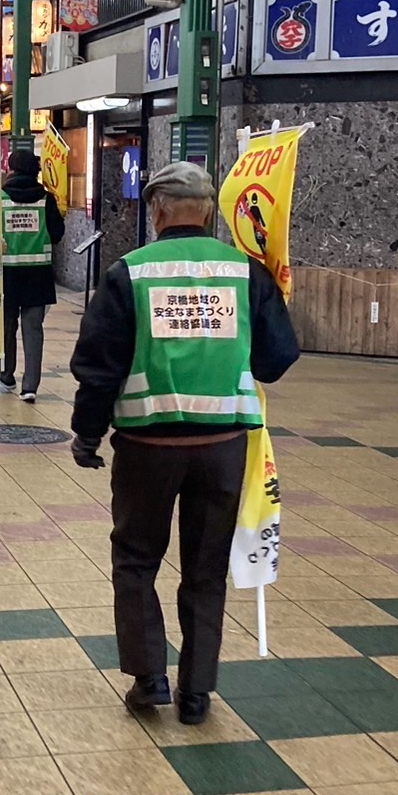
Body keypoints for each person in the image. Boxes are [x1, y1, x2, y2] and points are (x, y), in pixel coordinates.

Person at [69, 161, 299, 725]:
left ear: (159, 211)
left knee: (136, 559)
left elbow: (99, 366)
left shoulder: (130, 274)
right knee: (205, 568)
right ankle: (198, 693)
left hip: (148, 448)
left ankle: (150, 679)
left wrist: (87, 434)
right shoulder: (246, 273)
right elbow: (277, 359)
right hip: (224, 447)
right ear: (208, 212)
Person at [0, 148, 65, 404]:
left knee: (7, 326)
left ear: (12, 169)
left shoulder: (0, 198)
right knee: (33, 329)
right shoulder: (46, 199)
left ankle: (6, 372)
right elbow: (57, 233)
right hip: (38, 274)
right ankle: (30, 386)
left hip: (7, 274)